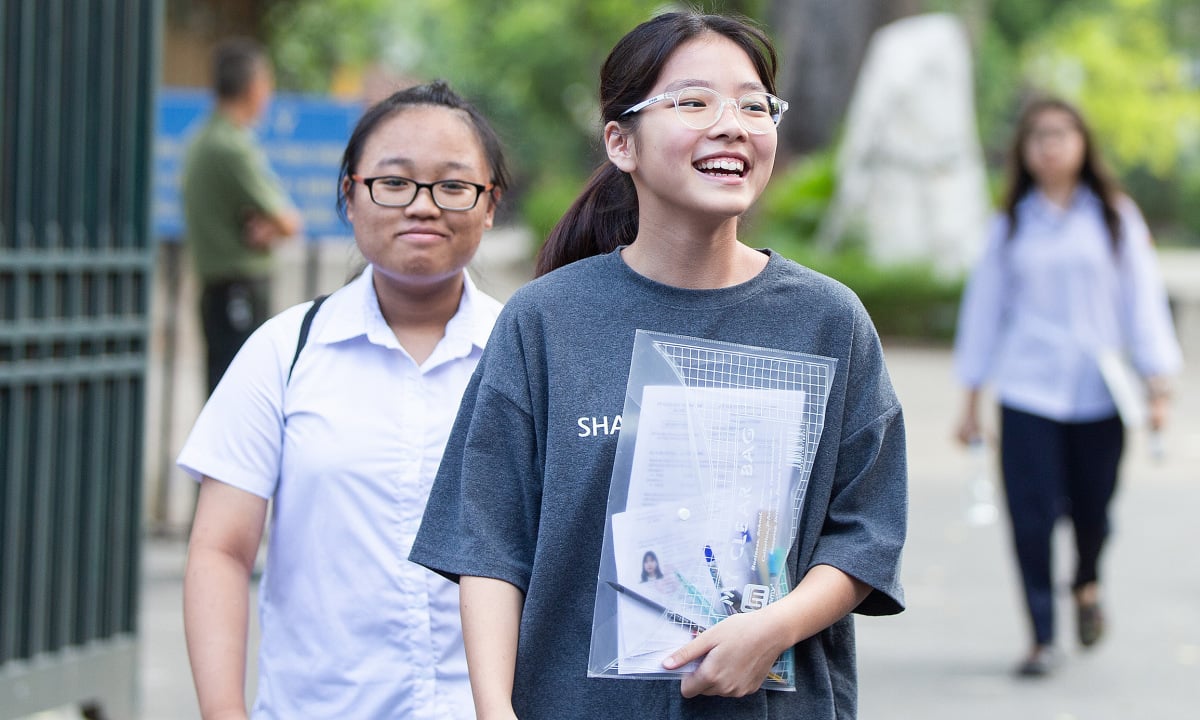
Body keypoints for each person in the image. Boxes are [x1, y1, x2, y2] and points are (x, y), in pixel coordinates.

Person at [410, 11, 907, 719]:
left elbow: (866, 532)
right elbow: (489, 545)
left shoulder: (828, 322)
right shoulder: (546, 321)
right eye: (695, 101)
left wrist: (776, 627)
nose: (732, 124)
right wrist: (495, 710)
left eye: (753, 104)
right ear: (620, 142)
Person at [178, 80, 510, 719]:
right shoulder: (284, 353)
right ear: (350, 197)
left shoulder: (525, 355)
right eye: (393, 182)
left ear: (490, 205)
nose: (423, 205)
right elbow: (221, 551)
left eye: (453, 185)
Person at [953, 96, 1182, 677]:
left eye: (1061, 134)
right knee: (1029, 518)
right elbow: (984, 313)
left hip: (1100, 395)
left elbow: (1143, 305)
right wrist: (970, 399)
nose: (1050, 145)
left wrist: (1159, 386)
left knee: (1093, 513)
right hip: (1028, 392)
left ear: (1083, 144)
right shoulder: (1009, 225)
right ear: (1024, 151)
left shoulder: (1113, 217)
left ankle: (1085, 581)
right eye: (1038, 136)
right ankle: (1041, 637)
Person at [181, 37, 304, 395]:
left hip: (217, 290)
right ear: (253, 87)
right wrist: (272, 225)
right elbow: (288, 221)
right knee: (243, 393)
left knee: (222, 386)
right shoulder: (232, 147)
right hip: (240, 290)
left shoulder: (203, 137)